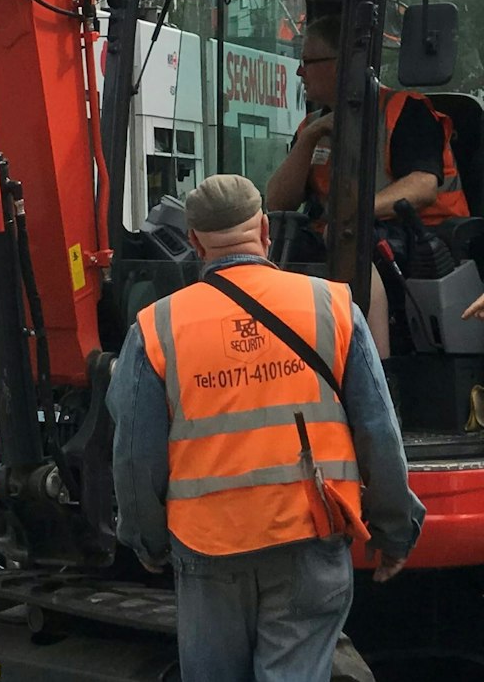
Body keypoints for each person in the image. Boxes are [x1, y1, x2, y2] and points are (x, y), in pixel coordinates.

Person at [110, 175, 422, 682]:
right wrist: (395, 530)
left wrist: (146, 541)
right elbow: (378, 432)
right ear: (263, 230)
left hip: (208, 547)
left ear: (195, 242)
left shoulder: (157, 327)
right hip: (308, 534)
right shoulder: (331, 306)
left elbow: (134, 456)